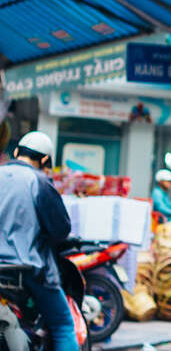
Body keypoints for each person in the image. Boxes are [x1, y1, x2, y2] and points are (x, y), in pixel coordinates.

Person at [0, 131, 77, 351]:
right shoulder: (40, 182)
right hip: (27, 271)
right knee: (63, 324)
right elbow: (60, 230)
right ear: (45, 160)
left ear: (16, 152)